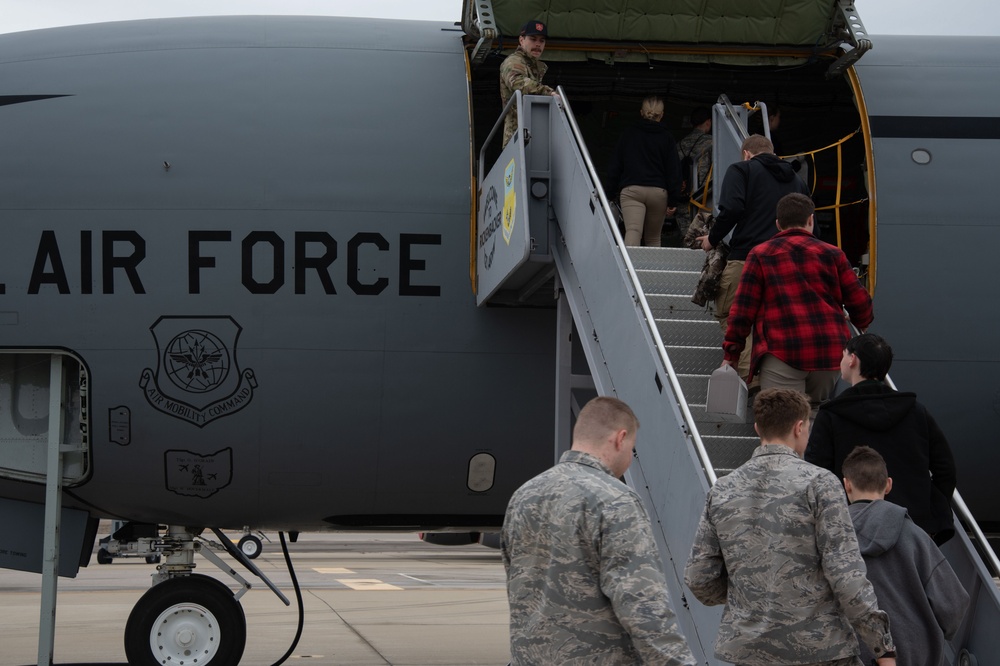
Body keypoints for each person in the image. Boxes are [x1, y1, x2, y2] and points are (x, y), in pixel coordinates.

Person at [685, 388, 897, 666]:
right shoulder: (820, 484)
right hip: (819, 649)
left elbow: (699, 578)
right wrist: (883, 648)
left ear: (758, 427)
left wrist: (752, 592)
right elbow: (846, 576)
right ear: (799, 427)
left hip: (748, 651)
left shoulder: (723, 490)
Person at [501, 396, 696, 665]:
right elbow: (642, 605)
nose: (630, 458)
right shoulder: (615, 500)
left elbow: (517, 583)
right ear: (620, 438)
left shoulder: (523, 495)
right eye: (632, 449)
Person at [723, 192, 873, 415]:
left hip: (782, 352)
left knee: (781, 424)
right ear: (811, 220)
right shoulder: (833, 254)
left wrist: (732, 354)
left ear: (777, 224)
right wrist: (861, 321)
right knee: (812, 417)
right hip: (828, 355)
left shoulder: (761, 255)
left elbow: (742, 311)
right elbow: (860, 303)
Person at [806, 333, 957, 543]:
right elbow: (945, 468)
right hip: (913, 525)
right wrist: (930, 510)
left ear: (852, 359)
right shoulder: (915, 411)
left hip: (852, 528)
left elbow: (816, 472)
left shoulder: (832, 414)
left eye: (843, 355)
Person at [842, 446, 969, 666]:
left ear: (846, 485)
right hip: (915, 656)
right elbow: (953, 606)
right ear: (888, 485)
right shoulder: (915, 536)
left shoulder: (832, 539)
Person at [697, 135, 809, 381]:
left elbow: (733, 208)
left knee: (730, 312)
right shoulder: (797, 180)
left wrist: (712, 239)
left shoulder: (741, 170)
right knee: (771, 318)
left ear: (746, 153)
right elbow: (809, 224)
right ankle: (770, 373)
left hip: (746, 257)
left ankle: (752, 376)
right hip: (787, 263)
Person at [605, 96, 684, 247]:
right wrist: (673, 199)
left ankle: (629, 269)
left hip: (632, 190)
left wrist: (609, 193)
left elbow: (615, 165)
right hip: (658, 192)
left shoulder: (629, 134)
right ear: (661, 115)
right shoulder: (667, 137)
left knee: (633, 231)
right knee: (653, 237)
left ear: (641, 112)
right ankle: (652, 270)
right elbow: (674, 170)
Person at [499, 20, 559, 148]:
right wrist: (549, 92)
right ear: (521, 40)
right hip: (515, 139)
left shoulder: (534, 67)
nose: (538, 44)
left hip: (530, 135)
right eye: (533, 39)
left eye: (542, 41)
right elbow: (518, 83)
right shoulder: (514, 61)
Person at [674, 107, 713, 240]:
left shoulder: (680, 144)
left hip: (683, 197)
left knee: (685, 238)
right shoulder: (713, 143)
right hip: (705, 200)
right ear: (708, 122)